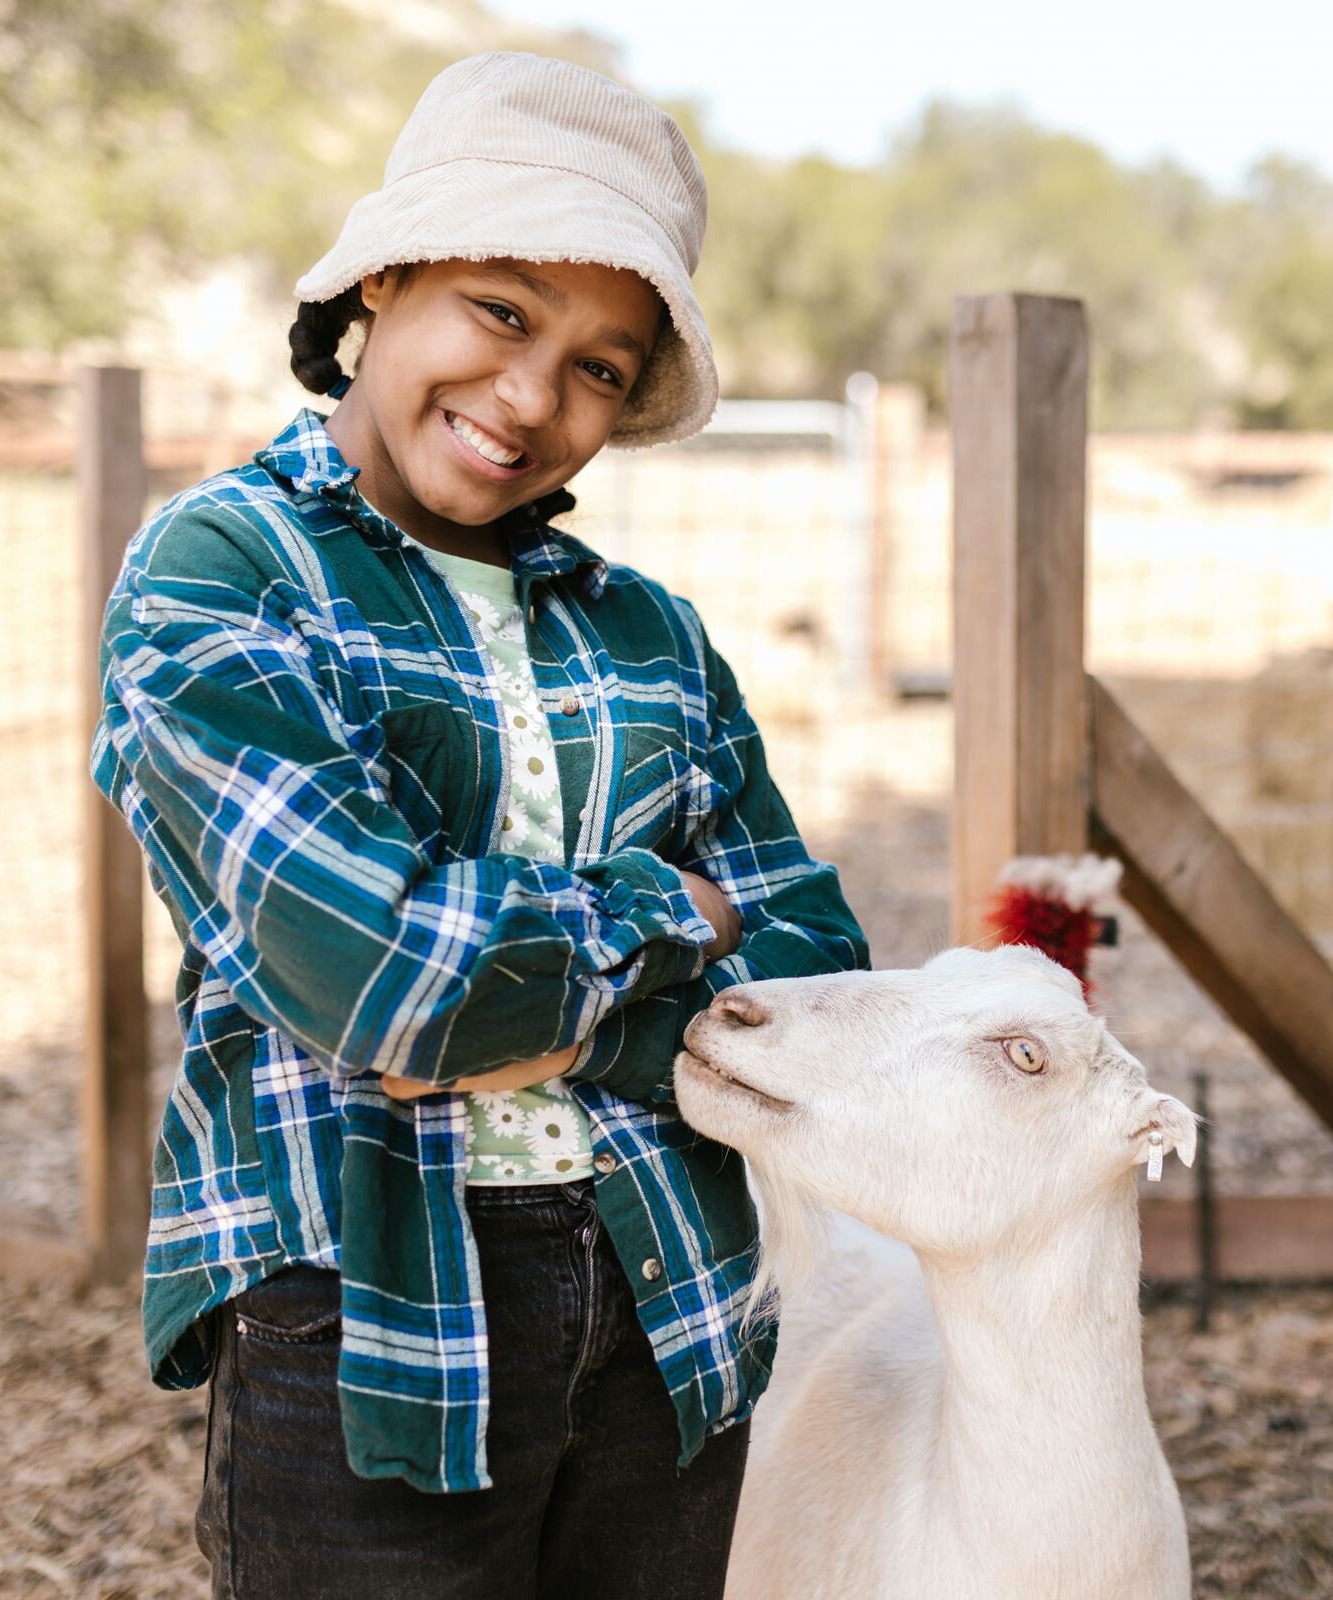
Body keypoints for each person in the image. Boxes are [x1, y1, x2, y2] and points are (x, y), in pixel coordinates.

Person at [89, 50, 869, 1600]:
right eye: (502, 311)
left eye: (600, 363)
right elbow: (388, 977)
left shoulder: (651, 632)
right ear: (384, 277)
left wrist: (539, 1004)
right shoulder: (220, 571)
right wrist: (675, 917)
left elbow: (820, 984)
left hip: (677, 1299)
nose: (531, 398)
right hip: (370, 1311)